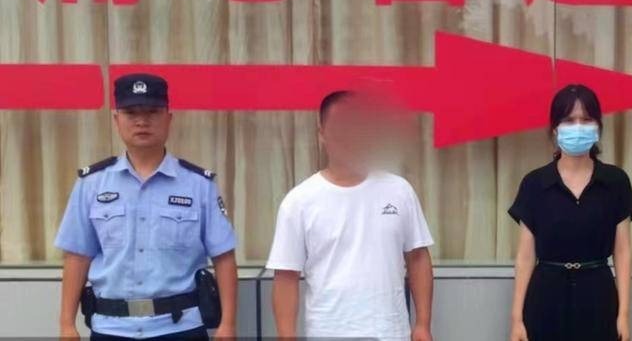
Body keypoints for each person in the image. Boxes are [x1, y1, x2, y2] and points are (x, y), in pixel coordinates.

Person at [55, 73, 238, 340]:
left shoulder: (199, 185)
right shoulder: (91, 184)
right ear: (116, 120)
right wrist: (66, 324)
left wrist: (228, 324)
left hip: (179, 328)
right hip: (111, 328)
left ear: (169, 119)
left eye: (152, 112)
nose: (142, 121)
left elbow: (223, 257)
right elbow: (77, 257)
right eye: (131, 113)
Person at [267, 90, 434, 340]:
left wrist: (422, 324)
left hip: (390, 332)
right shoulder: (299, 201)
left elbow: (418, 258)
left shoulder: (399, 191)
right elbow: (286, 277)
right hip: (328, 332)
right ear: (322, 134)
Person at [508, 84, 632, 341]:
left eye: (586, 119)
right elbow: (525, 256)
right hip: (545, 297)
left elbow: (623, 252)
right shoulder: (535, 183)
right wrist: (516, 319)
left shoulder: (615, 181)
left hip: (598, 295)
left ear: (598, 126)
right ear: (555, 128)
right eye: (569, 120)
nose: (578, 127)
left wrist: (624, 314)